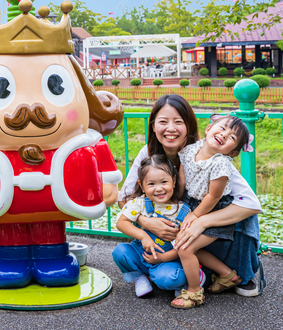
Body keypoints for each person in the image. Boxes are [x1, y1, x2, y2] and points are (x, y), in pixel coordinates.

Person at [118, 94, 263, 297]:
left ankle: (238, 272)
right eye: (163, 122)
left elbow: (250, 203)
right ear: (152, 126)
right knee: (131, 256)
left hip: (199, 224)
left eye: (178, 122)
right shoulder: (148, 153)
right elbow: (124, 197)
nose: (170, 129)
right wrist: (146, 222)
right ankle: (164, 272)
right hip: (169, 233)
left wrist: (201, 222)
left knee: (242, 217)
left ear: (189, 125)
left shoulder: (208, 154)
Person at [168, 115, 252, 308]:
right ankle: (227, 275)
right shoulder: (190, 149)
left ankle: (194, 292)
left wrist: (195, 216)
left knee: (185, 247)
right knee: (190, 245)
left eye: (232, 137)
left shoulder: (220, 164)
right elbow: (182, 179)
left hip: (214, 208)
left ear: (233, 152)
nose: (224, 135)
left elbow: (213, 197)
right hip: (193, 204)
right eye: (222, 128)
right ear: (208, 129)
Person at [112, 155, 202, 297]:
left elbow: (184, 245)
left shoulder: (183, 211)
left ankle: (181, 279)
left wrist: (162, 258)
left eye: (164, 182)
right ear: (141, 185)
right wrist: (143, 236)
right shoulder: (140, 203)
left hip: (166, 260)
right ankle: (139, 277)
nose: (158, 189)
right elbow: (121, 223)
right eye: (151, 184)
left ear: (173, 181)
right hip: (142, 253)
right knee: (120, 252)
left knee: (171, 278)